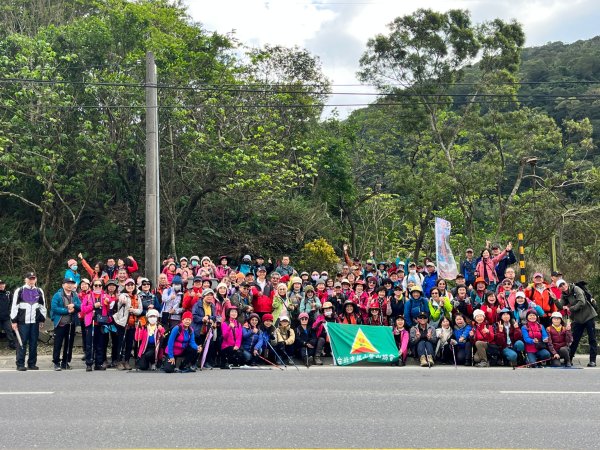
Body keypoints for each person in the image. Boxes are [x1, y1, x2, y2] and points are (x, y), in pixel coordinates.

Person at [556, 278, 597, 367]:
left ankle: (592, 361)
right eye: (560, 286)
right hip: (578, 319)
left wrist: (570, 309)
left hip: (588, 316)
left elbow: (582, 302)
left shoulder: (576, 289)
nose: (562, 286)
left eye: (563, 284)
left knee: (592, 339)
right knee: (574, 340)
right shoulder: (564, 295)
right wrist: (555, 299)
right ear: (558, 288)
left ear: (566, 283)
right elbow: (560, 307)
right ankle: (568, 359)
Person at [11, 272, 47, 371]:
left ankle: (32, 363)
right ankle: (20, 364)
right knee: (21, 343)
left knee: (34, 343)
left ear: (35, 279)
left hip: (35, 322)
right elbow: (15, 306)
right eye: (29, 278)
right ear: (25, 279)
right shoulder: (20, 290)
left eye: (33, 278)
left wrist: (42, 319)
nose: (31, 280)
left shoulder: (39, 291)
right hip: (23, 322)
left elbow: (42, 306)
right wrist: (14, 321)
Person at [50, 277, 80, 371]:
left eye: (72, 283)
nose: (70, 285)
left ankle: (65, 362)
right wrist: (67, 310)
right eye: (68, 283)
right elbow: (54, 308)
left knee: (69, 344)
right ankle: (56, 362)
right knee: (58, 343)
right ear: (63, 285)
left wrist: (74, 306)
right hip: (60, 324)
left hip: (71, 323)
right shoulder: (57, 295)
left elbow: (81, 305)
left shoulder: (75, 295)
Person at [0, 279, 16, 350]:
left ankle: (12, 344)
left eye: (3, 284)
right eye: (0, 284)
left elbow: (12, 304)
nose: (1, 285)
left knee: (9, 331)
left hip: (6, 317)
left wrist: (10, 312)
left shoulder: (8, 294)